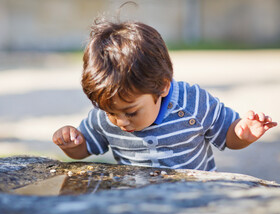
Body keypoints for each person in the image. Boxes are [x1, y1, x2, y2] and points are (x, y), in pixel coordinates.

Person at [52, 18, 277, 171]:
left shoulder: (193, 103)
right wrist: (71, 144)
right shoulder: (105, 113)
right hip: (138, 203)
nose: (120, 121)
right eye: (111, 112)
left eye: (131, 112)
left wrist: (242, 134)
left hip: (197, 200)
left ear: (162, 87)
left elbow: (227, 134)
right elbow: (85, 149)